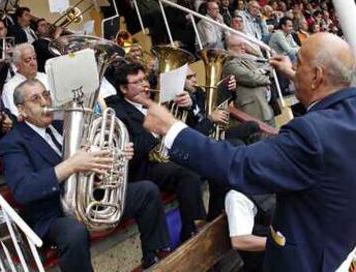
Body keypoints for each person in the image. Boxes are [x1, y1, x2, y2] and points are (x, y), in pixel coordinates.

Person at [139, 32, 356, 271]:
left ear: (316, 76)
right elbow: (328, 95)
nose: (294, 67)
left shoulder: (310, 135)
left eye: (299, 64)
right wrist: (296, 76)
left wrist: (171, 130)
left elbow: (238, 164)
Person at [0, 79, 170, 272]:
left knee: (146, 190)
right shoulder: (12, 142)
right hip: (52, 214)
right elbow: (24, 189)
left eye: (46, 95)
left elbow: (89, 162)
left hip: (85, 197)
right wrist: (71, 166)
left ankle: (154, 258)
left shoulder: (60, 125)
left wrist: (116, 156)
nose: (45, 102)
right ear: (21, 110)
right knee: (74, 232)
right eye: (36, 99)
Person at [107, 63, 207, 242]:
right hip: (143, 168)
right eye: (136, 82)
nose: (144, 85)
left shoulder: (155, 100)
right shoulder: (118, 112)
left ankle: (211, 215)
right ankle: (191, 229)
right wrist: (155, 128)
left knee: (200, 159)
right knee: (187, 172)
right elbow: (133, 149)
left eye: (144, 79)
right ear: (123, 88)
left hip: (164, 159)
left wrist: (188, 106)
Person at [223, 35, 275, 126]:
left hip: (264, 105)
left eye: (244, 44)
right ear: (230, 48)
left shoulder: (247, 59)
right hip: (252, 109)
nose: (243, 47)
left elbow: (269, 68)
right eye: (239, 45)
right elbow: (251, 78)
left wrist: (259, 71)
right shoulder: (229, 65)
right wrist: (266, 78)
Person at [2, 43, 48, 117]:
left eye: (34, 58)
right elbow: (16, 116)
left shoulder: (45, 77)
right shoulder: (10, 87)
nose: (33, 63)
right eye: (27, 60)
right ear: (17, 65)